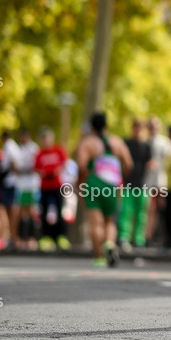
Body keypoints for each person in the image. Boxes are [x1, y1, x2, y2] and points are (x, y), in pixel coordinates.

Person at [76, 112, 132, 268]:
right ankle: (109, 243)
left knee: (95, 223)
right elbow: (128, 163)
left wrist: (80, 184)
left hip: (93, 183)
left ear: (92, 126)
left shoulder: (87, 143)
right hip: (112, 185)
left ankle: (99, 257)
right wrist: (120, 176)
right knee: (110, 221)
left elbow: (81, 166)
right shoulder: (117, 142)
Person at [120, 118, 152, 251]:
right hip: (128, 183)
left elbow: (150, 163)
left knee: (141, 214)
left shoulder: (146, 146)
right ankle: (124, 237)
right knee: (126, 212)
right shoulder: (126, 143)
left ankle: (139, 238)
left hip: (142, 184)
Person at [35, 127, 69, 252]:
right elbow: (37, 168)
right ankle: (45, 237)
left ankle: (61, 237)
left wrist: (57, 170)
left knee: (60, 211)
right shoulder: (40, 154)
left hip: (57, 185)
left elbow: (64, 163)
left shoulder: (58, 150)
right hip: (44, 186)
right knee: (44, 213)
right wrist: (43, 172)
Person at [144, 116, 171, 246]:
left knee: (162, 208)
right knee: (149, 209)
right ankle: (148, 236)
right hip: (148, 180)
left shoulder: (164, 142)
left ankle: (162, 236)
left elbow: (170, 159)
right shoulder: (145, 142)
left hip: (161, 179)